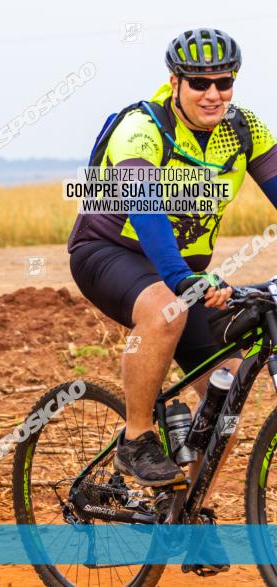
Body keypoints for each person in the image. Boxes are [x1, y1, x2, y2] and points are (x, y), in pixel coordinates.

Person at [67, 29, 277, 574]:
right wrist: (182, 279)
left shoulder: (244, 128)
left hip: (185, 273)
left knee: (228, 379)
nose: (214, 93)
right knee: (167, 307)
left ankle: (186, 512)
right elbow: (150, 213)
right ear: (175, 82)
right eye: (201, 83)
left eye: (224, 82)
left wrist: (190, 280)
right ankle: (136, 436)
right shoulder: (142, 127)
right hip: (111, 253)